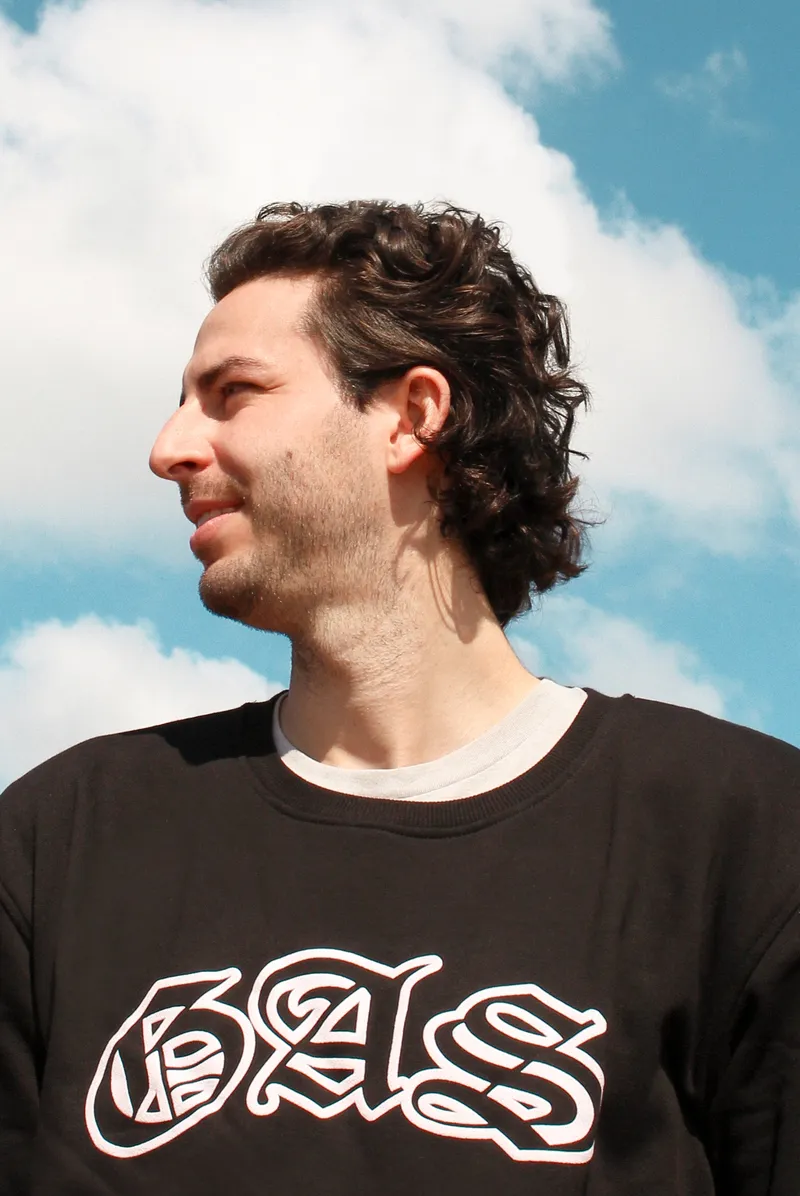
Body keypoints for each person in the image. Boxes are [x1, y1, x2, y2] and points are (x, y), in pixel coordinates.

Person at [1, 201, 799, 1196]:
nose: (168, 448)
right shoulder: (62, 836)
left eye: (232, 393)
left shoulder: (740, 833)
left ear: (413, 414)